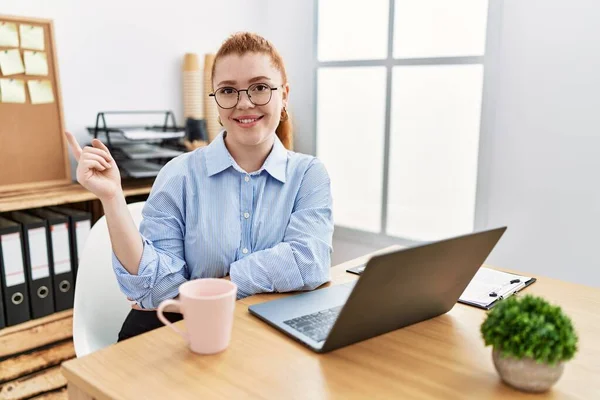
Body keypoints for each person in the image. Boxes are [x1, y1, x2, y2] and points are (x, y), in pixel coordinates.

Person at [65, 32, 334, 341]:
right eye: (228, 91)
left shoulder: (309, 175)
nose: (244, 103)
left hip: (262, 336)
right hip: (178, 335)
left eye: (260, 87)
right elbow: (157, 289)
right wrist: (112, 197)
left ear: (284, 94)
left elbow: (310, 261)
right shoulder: (179, 174)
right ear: (216, 101)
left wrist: (219, 286)